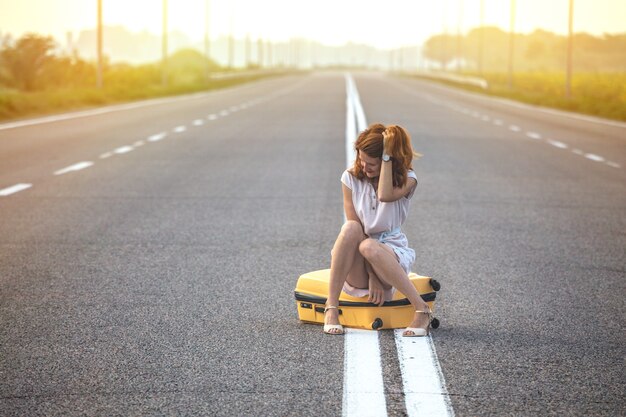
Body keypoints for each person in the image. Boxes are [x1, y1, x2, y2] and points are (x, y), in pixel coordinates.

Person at [324, 123, 433, 336]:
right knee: (351, 229)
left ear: (387, 161)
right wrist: (371, 274)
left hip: (389, 257)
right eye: (361, 160)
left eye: (371, 164)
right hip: (360, 265)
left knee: (369, 247)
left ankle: (422, 310)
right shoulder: (350, 178)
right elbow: (356, 226)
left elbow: (384, 195)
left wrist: (386, 157)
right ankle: (331, 307)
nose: (364, 167)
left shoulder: (408, 179)